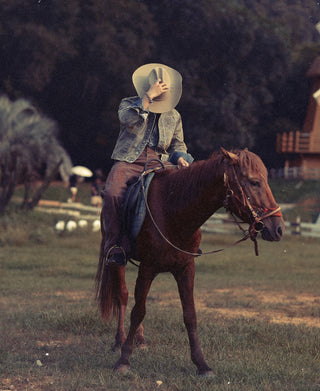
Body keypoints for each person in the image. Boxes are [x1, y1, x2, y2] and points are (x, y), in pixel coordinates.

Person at [102, 63, 193, 266]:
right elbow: (128, 121)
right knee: (112, 194)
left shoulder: (174, 116)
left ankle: (186, 242)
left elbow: (178, 143)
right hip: (129, 161)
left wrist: (180, 157)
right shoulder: (128, 104)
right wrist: (147, 98)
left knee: (187, 191)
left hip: (159, 163)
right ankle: (115, 246)